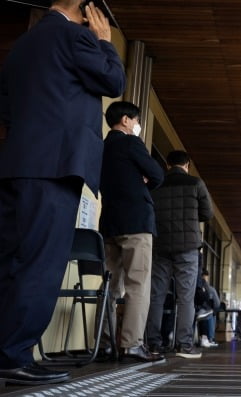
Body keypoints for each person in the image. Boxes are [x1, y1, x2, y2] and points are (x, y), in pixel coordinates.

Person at [0, 0, 124, 385]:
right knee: (40, 264)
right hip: (54, 169)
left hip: (16, 164)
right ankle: (13, 355)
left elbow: (6, 109)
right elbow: (113, 82)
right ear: (87, 11)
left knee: (8, 262)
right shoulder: (75, 36)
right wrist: (104, 41)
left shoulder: (22, 45)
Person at [99, 101, 164, 362]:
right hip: (136, 222)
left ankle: (104, 344)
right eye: (136, 120)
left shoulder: (102, 147)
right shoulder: (130, 143)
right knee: (138, 284)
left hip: (109, 224)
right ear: (126, 120)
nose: (137, 125)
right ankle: (131, 344)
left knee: (109, 286)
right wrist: (143, 179)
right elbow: (157, 174)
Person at [145, 149, 213, 359]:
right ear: (187, 165)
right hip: (188, 248)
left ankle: (153, 344)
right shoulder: (196, 183)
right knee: (185, 298)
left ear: (167, 165)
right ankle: (184, 345)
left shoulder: (156, 185)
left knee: (156, 296)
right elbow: (207, 213)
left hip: (161, 245)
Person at [195, 270, 221, 347]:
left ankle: (203, 338)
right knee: (211, 313)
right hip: (200, 311)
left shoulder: (191, 284)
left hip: (189, 309)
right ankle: (210, 338)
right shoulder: (209, 288)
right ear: (206, 276)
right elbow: (217, 303)